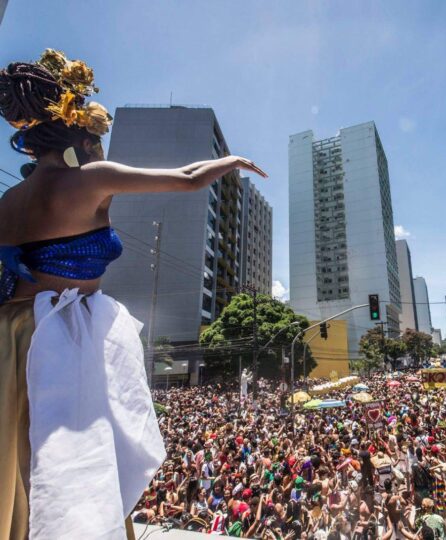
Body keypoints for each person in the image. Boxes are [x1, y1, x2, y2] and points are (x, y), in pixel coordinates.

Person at [0, 49, 266, 540]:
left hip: (9, 333)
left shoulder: (9, 199)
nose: (100, 147)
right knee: (71, 470)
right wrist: (230, 160)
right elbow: (188, 179)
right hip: (54, 339)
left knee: (14, 467)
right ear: (80, 136)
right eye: (96, 140)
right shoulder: (89, 178)